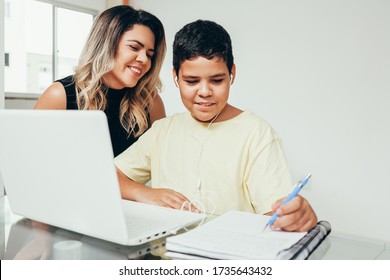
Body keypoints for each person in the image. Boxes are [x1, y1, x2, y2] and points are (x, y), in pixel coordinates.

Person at [114, 19, 317, 232]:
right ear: (176, 77)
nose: (204, 92)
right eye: (192, 81)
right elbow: (109, 176)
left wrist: (293, 217)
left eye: (217, 80)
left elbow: (275, 212)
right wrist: (144, 193)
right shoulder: (163, 131)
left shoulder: (256, 133)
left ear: (232, 74)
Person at [34, 5, 167, 156]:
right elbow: (32, 159)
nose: (144, 59)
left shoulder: (151, 102)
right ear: (107, 44)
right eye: (134, 47)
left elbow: (161, 164)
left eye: (149, 55)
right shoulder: (60, 95)